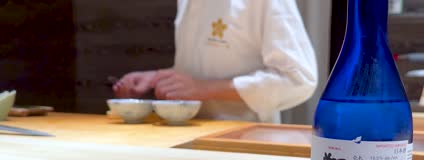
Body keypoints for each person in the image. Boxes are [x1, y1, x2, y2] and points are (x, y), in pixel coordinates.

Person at [113, 0, 318, 123]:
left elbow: (299, 79)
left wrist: (205, 88)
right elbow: (200, 71)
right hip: (190, 140)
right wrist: (157, 78)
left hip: (245, 145)